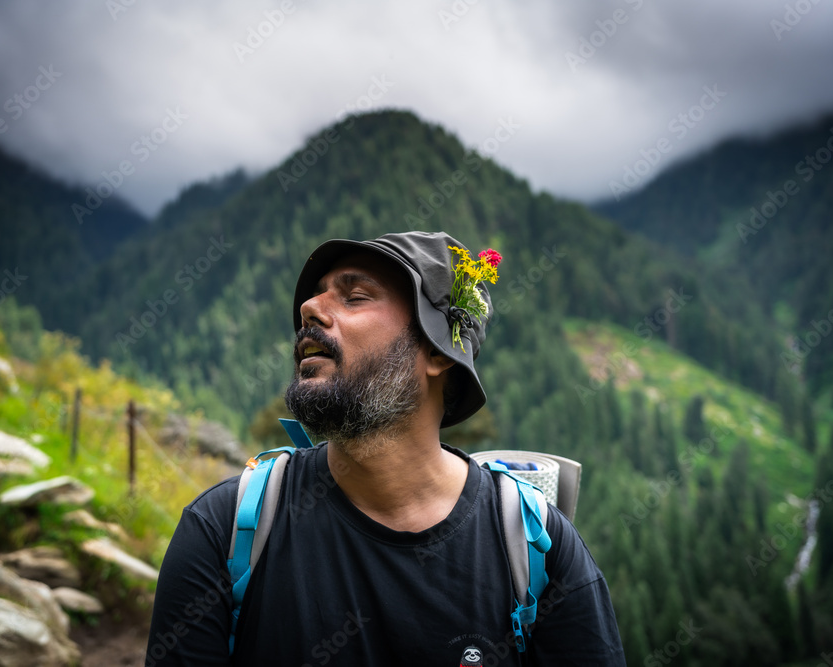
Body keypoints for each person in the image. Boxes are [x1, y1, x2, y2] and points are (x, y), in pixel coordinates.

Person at [145, 231, 626, 666]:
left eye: (354, 297)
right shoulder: (226, 529)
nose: (309, 308)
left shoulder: (541, 549)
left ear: (438, 351)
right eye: (315, 296)